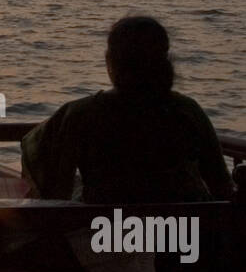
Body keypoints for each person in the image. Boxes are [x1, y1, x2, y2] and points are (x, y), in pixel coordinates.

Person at [21, 15, 232, 203]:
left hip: (109, 235)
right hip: (188, 234)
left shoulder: (82, 114)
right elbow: (222, 186)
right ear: (164, 62)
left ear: (111, 62)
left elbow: (56, 194)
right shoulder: (186, 111)